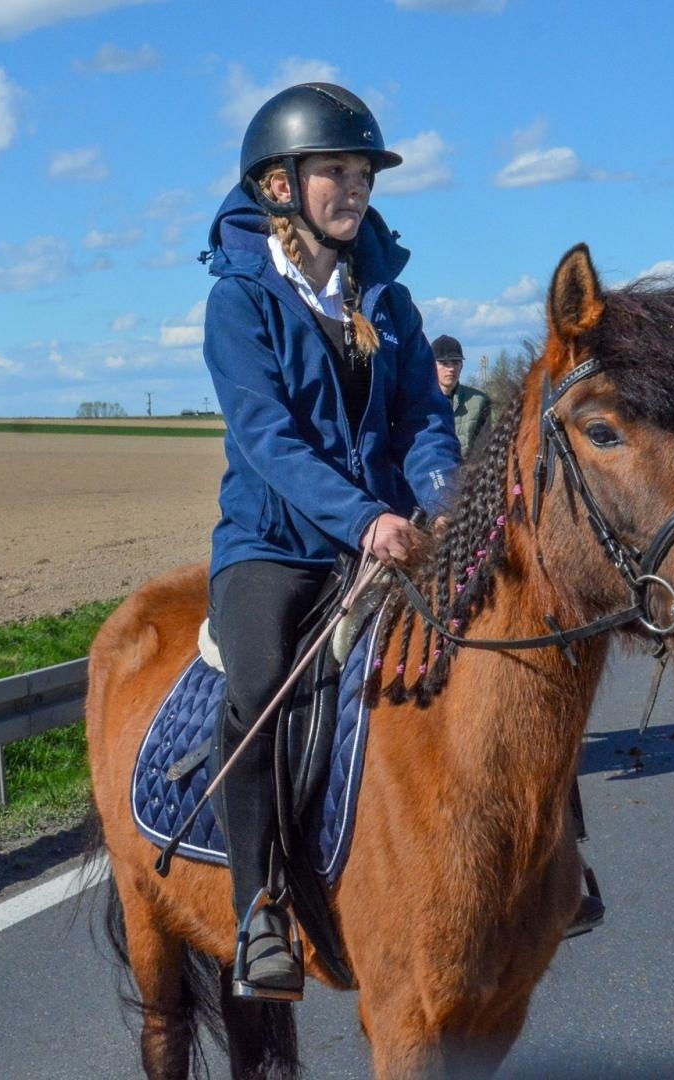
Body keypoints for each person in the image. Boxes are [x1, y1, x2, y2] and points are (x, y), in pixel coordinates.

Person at [201, 82, 460, 999]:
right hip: (275, 544)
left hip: (389, 534)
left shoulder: (387, 297)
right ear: (280, 185)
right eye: (335, 172)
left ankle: (557, 859)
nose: (354, 188)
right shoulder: (239, 303)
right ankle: (259, 908)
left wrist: (441, 500)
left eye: (363, 174)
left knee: (492, 637)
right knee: (260, 686)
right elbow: (268, 440)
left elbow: (423, 417)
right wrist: (365, 518)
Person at [431, 333, 493, 457]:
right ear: (432, 365)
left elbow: (483, 452)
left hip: (466, 468)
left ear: (462, 366)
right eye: (444, 363)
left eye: (455, 362)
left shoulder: (479, 402)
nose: (451, 369)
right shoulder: (417, 402)